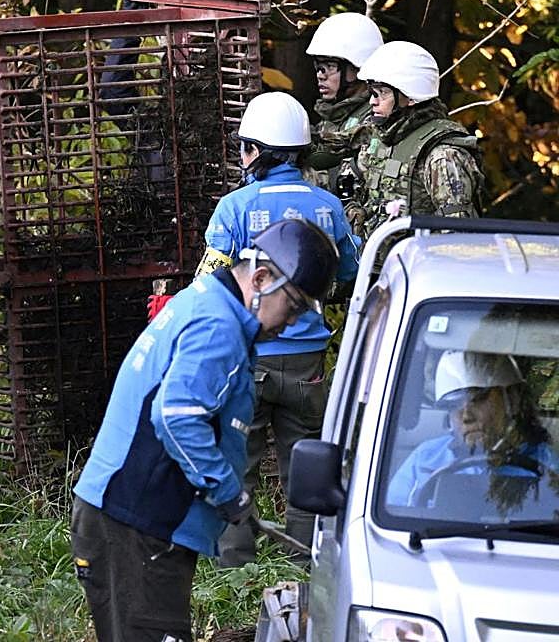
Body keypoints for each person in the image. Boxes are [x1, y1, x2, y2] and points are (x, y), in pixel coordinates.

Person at [71, 219, 340, 642]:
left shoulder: (206, 301)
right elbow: (178, 417)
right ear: (262, 278)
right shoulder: (219, 326)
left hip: (129, 518)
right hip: (137, 523)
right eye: (294, 306)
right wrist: (227, 492)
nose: (292, 323)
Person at [192, 91, 359, 566]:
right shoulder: (329, 206)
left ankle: (235, 566)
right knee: (305, 464)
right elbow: (350, 272)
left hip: (250, 358)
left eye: (245, 146)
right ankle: (305, 561)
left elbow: (211, 282)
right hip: (308, 361)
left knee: (237, 460)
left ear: (260, 151)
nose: (242, 156)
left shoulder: (234, 207)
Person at [348, 41, 483, 240]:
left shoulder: (442, 155)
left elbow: (457, 237)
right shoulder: (383, 137)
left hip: (417, 267)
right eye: (373, 92)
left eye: (382, 92)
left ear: (410, 97)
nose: (372, 101)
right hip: (375, 264)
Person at [387, 350, 554, 507]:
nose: (466, 416)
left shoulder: (549, 463)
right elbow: (393, 521)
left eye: (477, 399)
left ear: (513, 399)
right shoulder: (424, 459)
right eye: (453, 405)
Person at [303, 12, 384, 201]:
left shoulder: (376, 118)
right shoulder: (334, 116)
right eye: (318, 66)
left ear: (357, 69)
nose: (320, 75)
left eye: (330, 66)